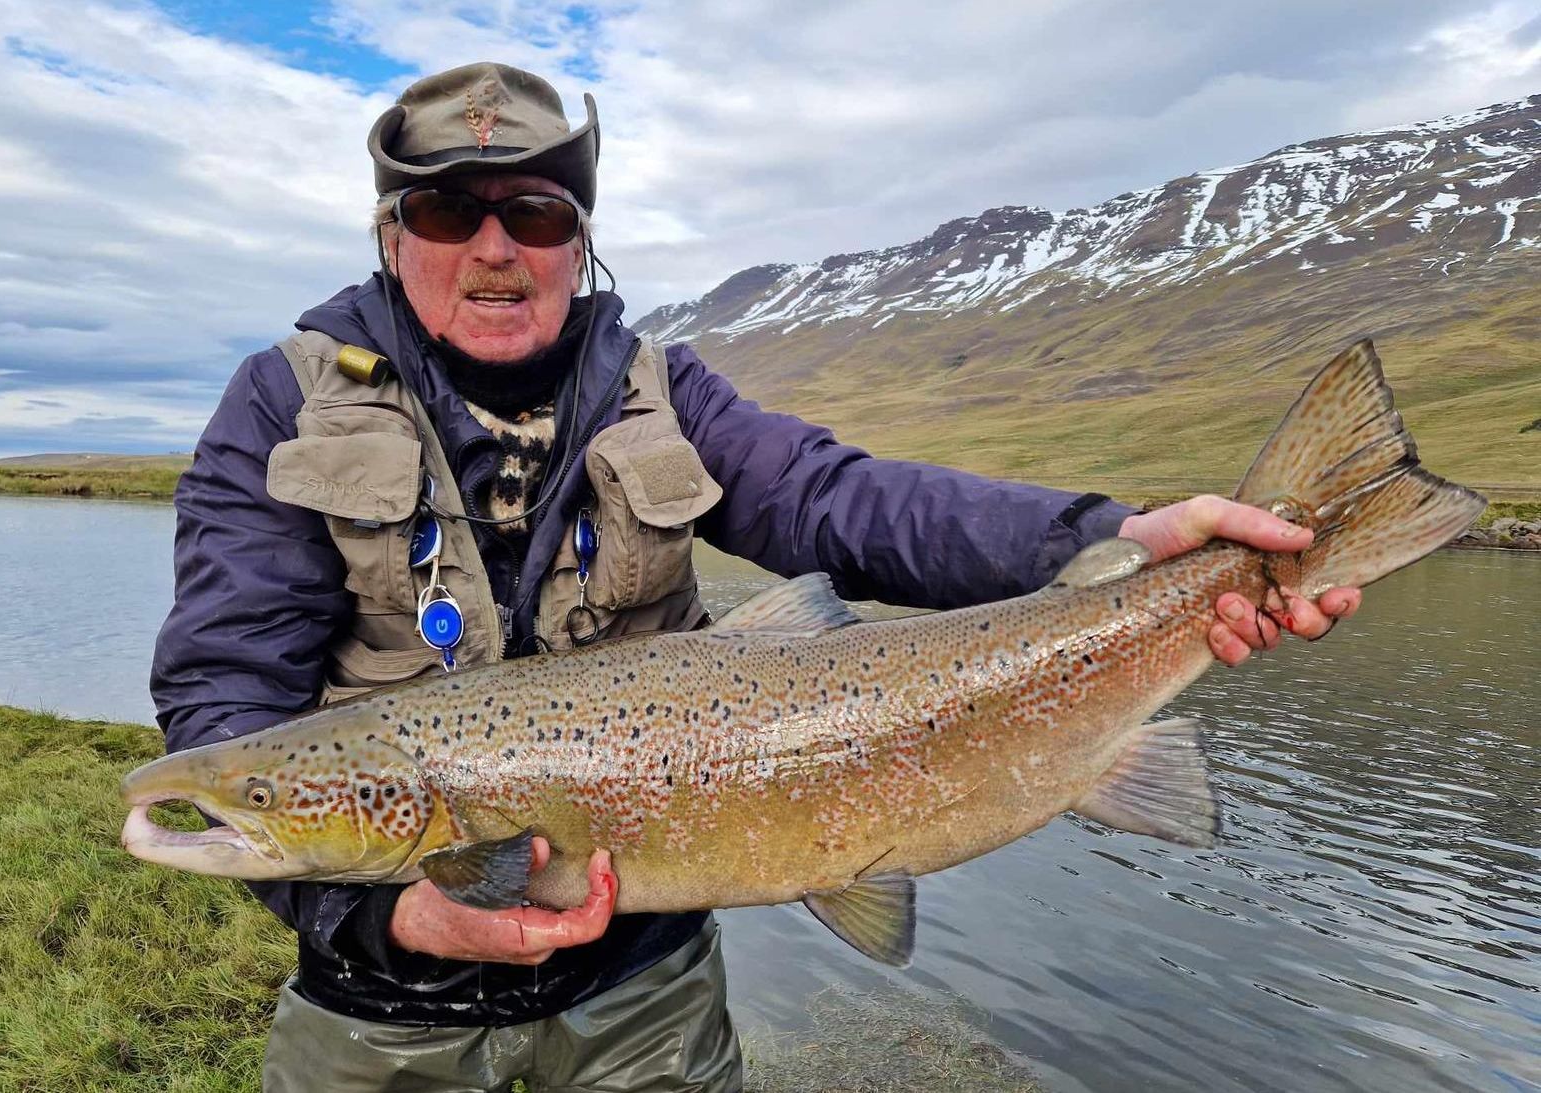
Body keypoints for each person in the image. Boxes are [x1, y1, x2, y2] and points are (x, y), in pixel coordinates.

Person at [150, 62, 1360, 1093]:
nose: (493, 248)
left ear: (578, 238)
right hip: (381, 995)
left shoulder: (663, 390)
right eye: (446, 212)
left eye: (534, 212)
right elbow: (223, 689)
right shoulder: (283, 402)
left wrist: (1119, 538)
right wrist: (380, 916)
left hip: (639, 987)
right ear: (389, 232)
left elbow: (847, 504)